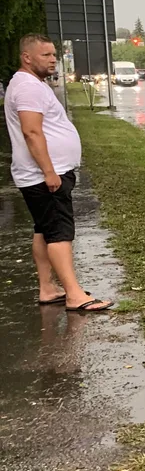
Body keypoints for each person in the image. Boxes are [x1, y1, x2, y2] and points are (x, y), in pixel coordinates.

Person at [5, 34, 112, 312]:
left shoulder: (29, 84)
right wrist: (49, 172)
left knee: (44, 230)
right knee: (59, 233)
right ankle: (75, 295)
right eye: (45, 55)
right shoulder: (28, 87)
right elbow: (31, 131)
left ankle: (48, 287)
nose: (53, 59)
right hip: (44, 176)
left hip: (41, 174)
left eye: (54, 54)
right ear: (27, 57)